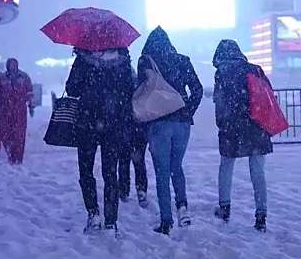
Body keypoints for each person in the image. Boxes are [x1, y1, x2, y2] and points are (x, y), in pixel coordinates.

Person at [137, 26, 203, 235]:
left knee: (162, 172)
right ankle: (182, 207)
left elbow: (140, 92)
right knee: (177, 166)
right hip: (182, 123)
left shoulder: (146, 61)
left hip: (158, 123)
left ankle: (166, 221)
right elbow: (198, 89)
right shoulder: (183, 60)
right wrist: (186, 109)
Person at [66, 47, 135, 236]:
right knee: (110, 173)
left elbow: (71, 88)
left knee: (86, 170)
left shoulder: (83, 60)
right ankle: (111, 221)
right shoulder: (122, 61)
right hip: (113, 124)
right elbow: (130, 90)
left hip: (87, 122)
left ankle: (93, 214)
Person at [211, 40, 272, 232]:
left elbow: (220, 102)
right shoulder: (255, 70)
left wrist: (222, 124)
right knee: (257, 172)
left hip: (232, 128)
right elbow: (269, 95)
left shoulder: (223, 73)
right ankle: (261, 215)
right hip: (257, 127)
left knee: (226, 166)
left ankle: (225, 207)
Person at [118, 67, 148, 208]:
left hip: (123, 127)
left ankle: (123, 189)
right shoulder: (139, 84)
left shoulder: (118, 84)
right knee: (139, 161)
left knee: (123, 160)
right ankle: (141, 190)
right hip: (139, 126)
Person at [0, 58, 34, 165]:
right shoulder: (1, 77)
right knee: (6, 133)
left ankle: (18, 157)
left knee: (20, 134)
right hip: (5, 109)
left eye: (14, 64)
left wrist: (31, 105)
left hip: (20, 109)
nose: (13, 66)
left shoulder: (24, 76)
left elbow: (30, 91)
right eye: (11, 64)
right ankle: (10, 153)